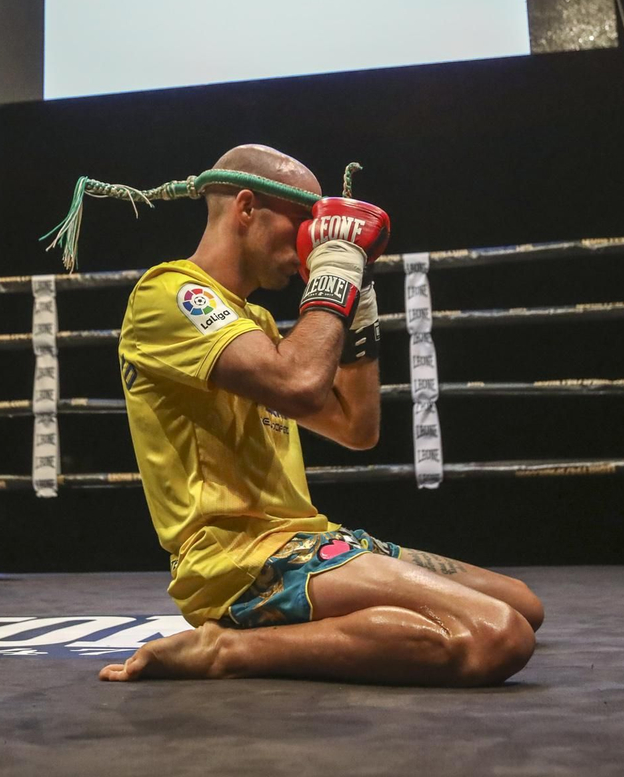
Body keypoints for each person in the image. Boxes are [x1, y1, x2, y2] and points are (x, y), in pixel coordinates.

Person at [101, 144, 541, 686]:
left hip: (307, 540)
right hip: (241, 561)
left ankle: (323, 629)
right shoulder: (171, 293)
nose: (313, 240)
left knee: (522, 605)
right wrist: (334, 273)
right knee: (500, 635)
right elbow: (299, 384)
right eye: (305, 223)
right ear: (246, 208)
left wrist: (359, 294)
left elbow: (357, 427)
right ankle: (227, 650)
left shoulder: (257, 323)